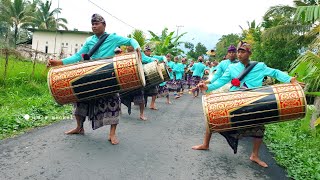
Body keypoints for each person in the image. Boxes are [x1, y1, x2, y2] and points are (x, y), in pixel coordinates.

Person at [192, 41, 301, 168]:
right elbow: (221, 81)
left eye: (242, 51)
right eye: (238, 51)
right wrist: (207, 86)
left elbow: (275, 73)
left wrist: (290, 79)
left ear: (249, 53)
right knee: (213, 117)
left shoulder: (259, 66)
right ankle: (205, 144)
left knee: (259, 128)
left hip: (254, 101)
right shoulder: (232, 68)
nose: (239, 54)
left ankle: (254, 155)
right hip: (234, 100)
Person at [47, 14, 140, 145]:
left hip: (108, 75)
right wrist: (59, 62)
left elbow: (130, 41)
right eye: (92, 24)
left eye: (97, 23)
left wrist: (137, 48)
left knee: (113, 102)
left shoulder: (113, 38)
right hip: (89, 74)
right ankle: (79, 128)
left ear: (104, 25)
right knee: (79, 100)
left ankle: (112, 134)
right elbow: (78, 56)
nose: (94, 26)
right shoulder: (89, 40)